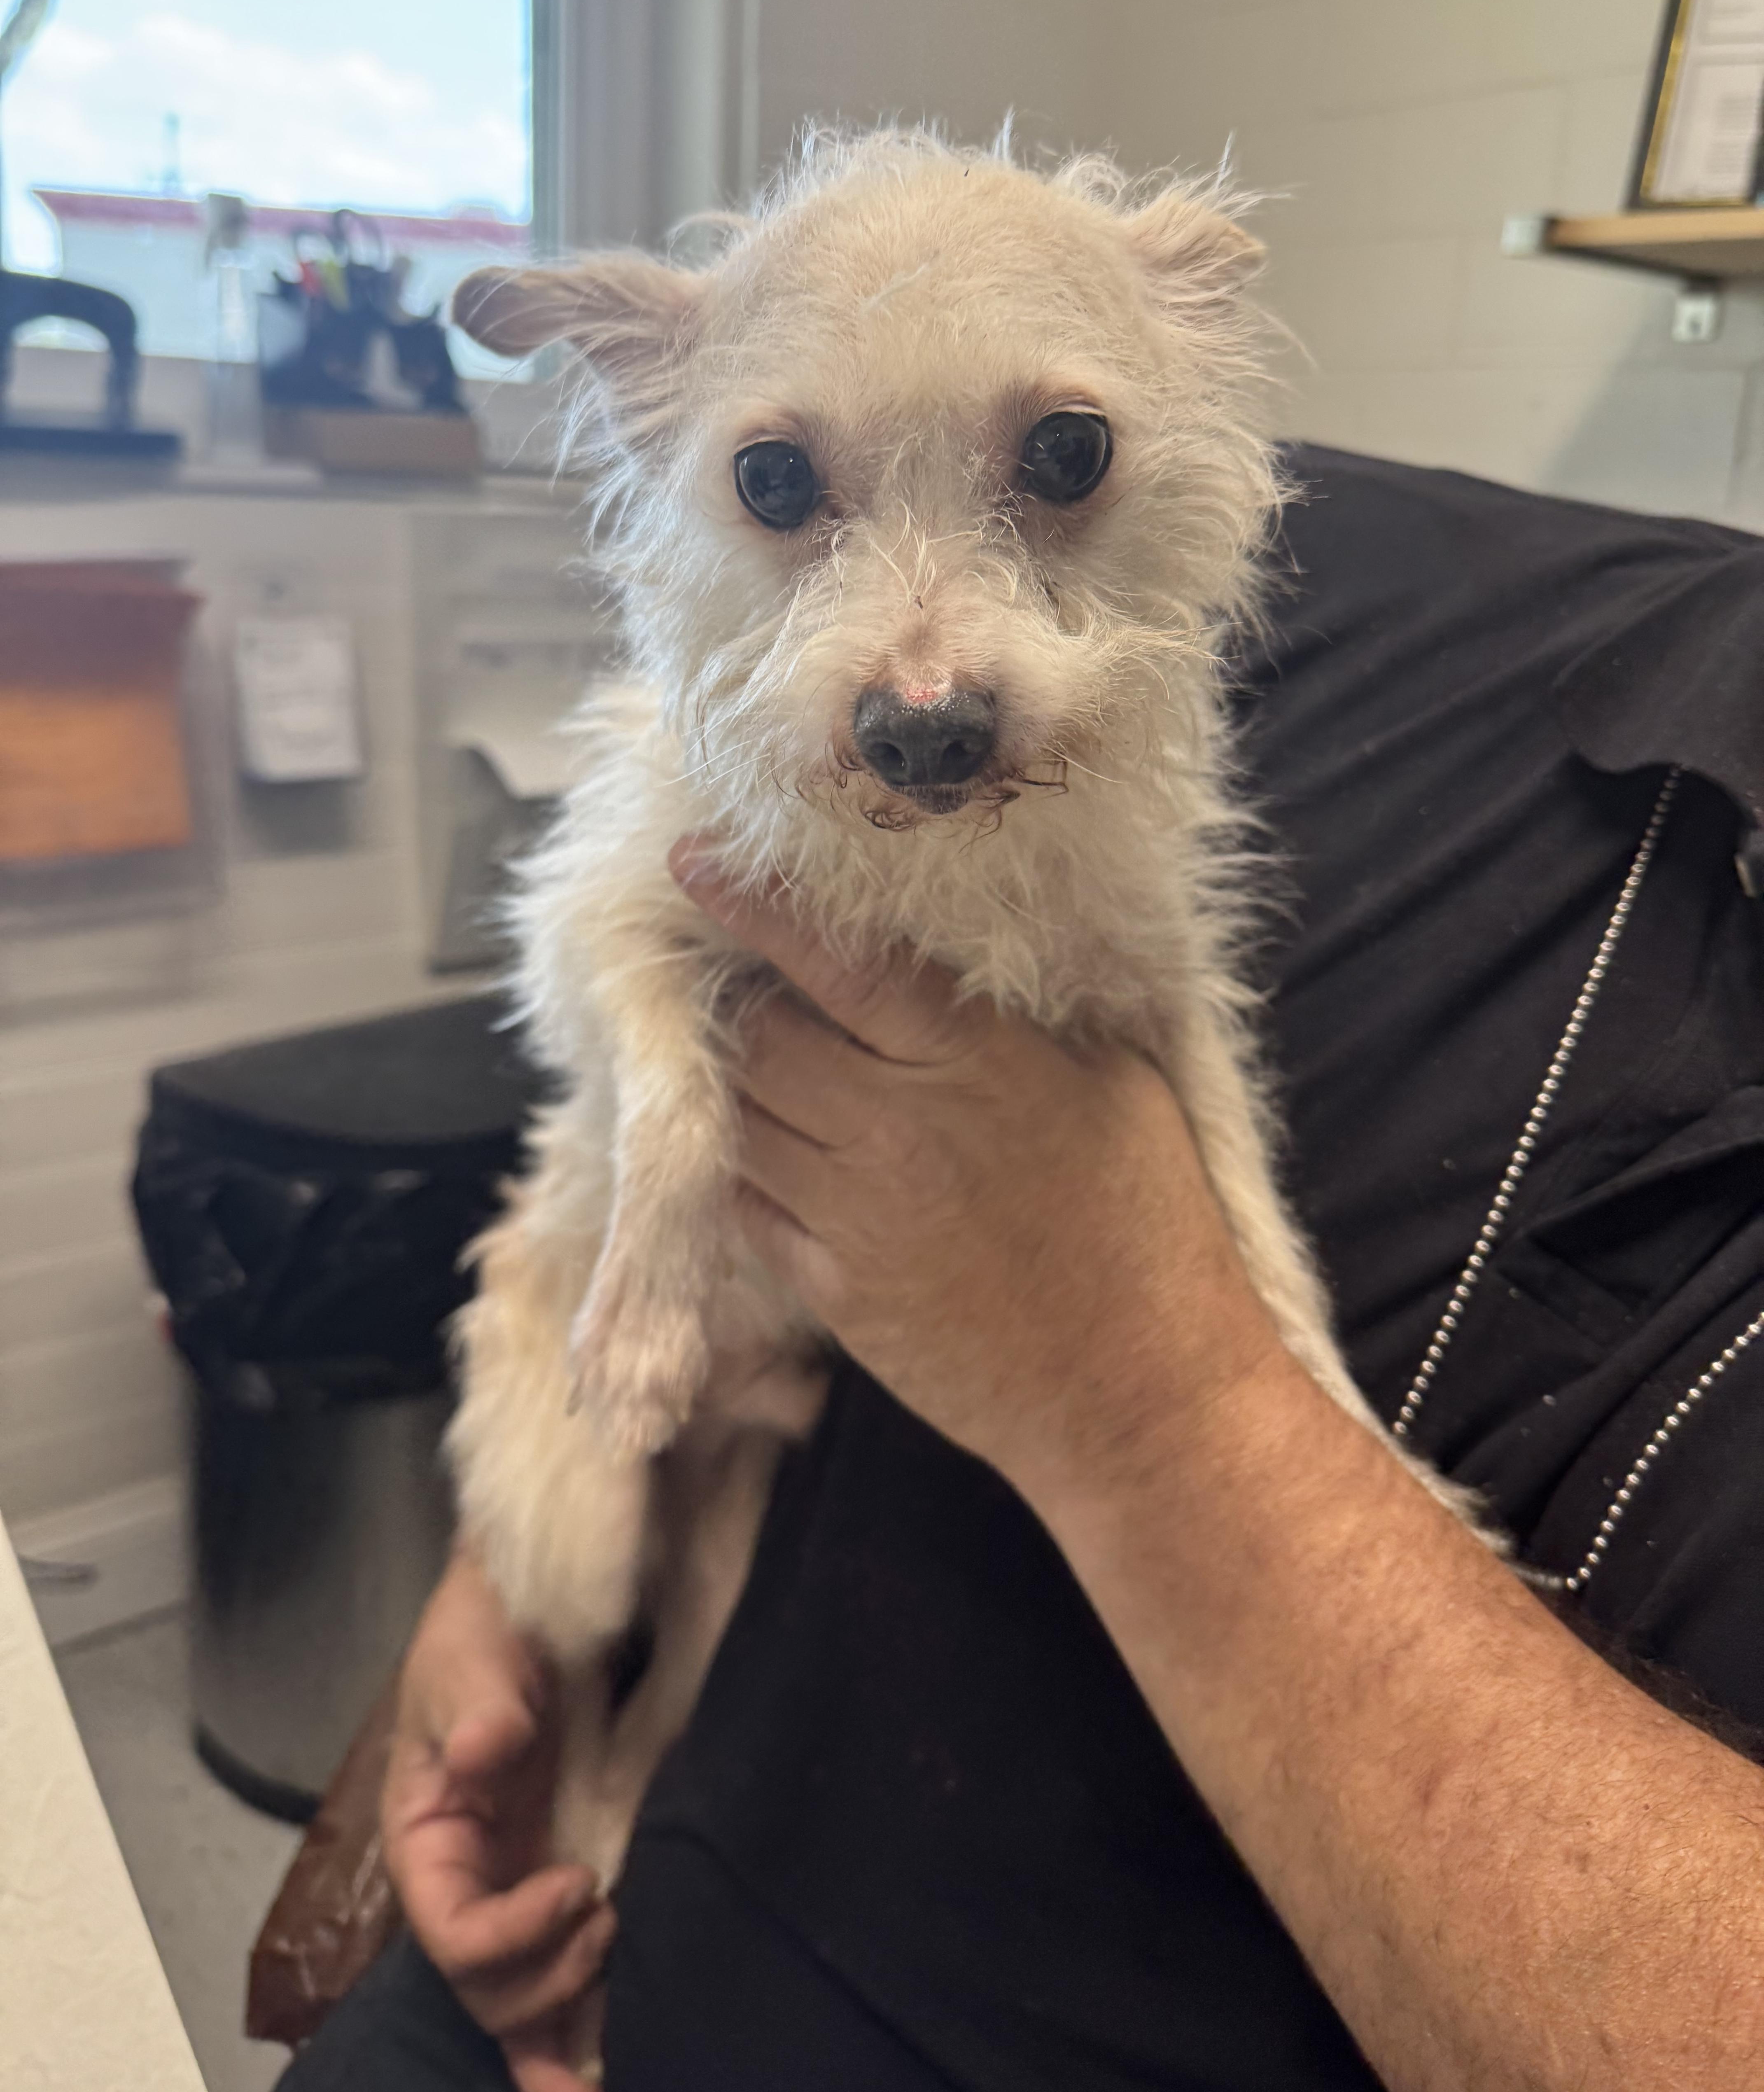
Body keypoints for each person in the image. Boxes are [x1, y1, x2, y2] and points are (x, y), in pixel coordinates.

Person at [282, 447, 1764, 2091]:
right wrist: (509, 1597)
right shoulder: (1218, 513)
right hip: (615, 1901)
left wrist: (1144, 1387)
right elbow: (678, 897)